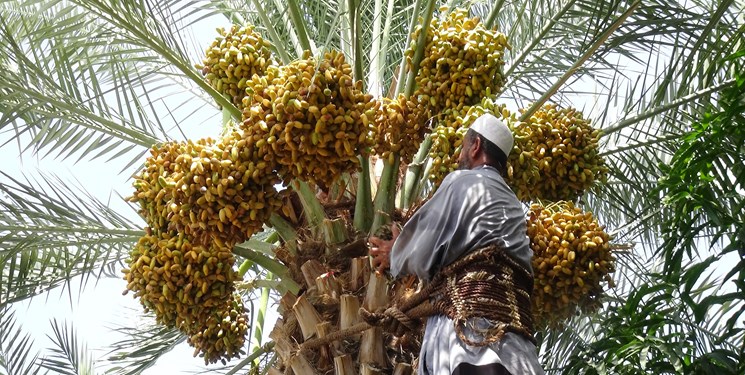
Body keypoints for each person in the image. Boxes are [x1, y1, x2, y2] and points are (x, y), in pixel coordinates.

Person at [368, 113, 545, 375]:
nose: (458, 156)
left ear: (475, 147)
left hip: (472, 338)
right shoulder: (512, 203)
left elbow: (424, 249)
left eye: (463, 147)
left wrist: (394, 252)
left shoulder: (463, 181)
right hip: (513, 347)